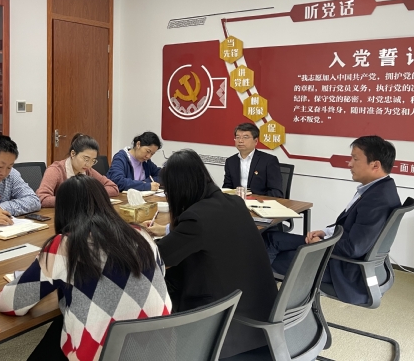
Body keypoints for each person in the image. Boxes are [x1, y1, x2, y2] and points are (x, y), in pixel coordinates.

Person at [0, 176, 171, 361]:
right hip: (161, 351)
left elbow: (10, 303)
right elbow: (160, 274)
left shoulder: (65, 246)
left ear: (63, 210)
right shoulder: (141, 234)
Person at [145, 149, 278, 357]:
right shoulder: (234, 203)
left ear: (179, 187)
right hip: (262, 318)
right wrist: (170, 230)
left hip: (228, 328)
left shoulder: (196, 219)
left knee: (163, 279)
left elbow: (159, 259)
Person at [264, 135, 401, 305]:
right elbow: (351, 228)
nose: (349, 164)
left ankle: (263, 304)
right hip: (338, 252)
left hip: (342, 268)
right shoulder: (380, 189)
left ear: (375, 165)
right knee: (271, 239)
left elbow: (354, 248)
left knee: (265, 254)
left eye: (355, 159)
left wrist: (321, 244)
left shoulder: (376, 200)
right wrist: (325, 233)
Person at [37, 133, 119, 207]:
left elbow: (113, 188)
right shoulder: (56, 170)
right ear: (73, 154)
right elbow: (42, 198)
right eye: (86, 159)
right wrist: (74, 199)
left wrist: (90, 194)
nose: (88, 164)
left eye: (93, 161)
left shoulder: (88, 170)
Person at [223, 122, 284, 198]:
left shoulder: (269, 161)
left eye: (245, 137)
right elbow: (227, 188)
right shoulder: (230, 161)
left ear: (255, 141)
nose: (240, 141)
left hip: (260, 202)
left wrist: (255, 200)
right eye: (237, 137)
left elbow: (276, 192)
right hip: (237, 203)